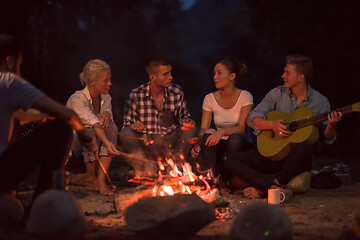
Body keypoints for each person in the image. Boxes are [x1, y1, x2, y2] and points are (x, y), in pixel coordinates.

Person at [224, 55, 343, 199]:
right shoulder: (277, 93)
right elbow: (252, 117)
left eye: (287, 72)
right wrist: (272, 125)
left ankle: (268, 186)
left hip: (295, 160)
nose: (283, 75)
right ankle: (272, 187)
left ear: (300, 77)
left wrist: (331, 125)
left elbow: (327, 140)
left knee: (303, 148)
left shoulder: (320, 102)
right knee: (230, 160)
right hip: (272, 155)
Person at [0, 34, 97, 201]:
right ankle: (42, 203)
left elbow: (16, 114)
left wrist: (44, 115)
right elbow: (69, 115)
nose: (19, 71)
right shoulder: (7, 80)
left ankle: (9, 194)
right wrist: (86, 137)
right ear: (10, 61)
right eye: (19, 65)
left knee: (16, 122)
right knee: (63, 127)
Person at [120, 56, 196, 175]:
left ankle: (175, 166)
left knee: (190, 130)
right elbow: (127, 124)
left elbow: (183, 116)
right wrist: (134, 124)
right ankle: (145, 165)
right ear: (152, 77)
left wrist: (187, 121)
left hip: (168, 140)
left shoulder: (176, 92)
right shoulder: (136, 94)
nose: (170, 77)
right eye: (165, 74)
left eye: (170, 72)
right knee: (125, 133)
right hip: (148, 142)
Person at [192, 59, 253, 191]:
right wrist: (198, 143)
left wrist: (220, 132)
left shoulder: (245, 96)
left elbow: (242, 129)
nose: (215, 77)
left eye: (219, 73)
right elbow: (203, 128)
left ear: (232, 76)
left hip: (239, 145)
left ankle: (224, 180)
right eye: (214, 74)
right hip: (219, 143)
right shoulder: (210, 98)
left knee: (234, 139)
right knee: (208, 134)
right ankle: (210, 179)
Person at [66, 59, 119, 196]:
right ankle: (91, 179)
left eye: (110, 79)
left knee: (111, 126)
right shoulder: (77, 99)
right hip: (72, 147)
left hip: (92, 145)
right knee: (89, 129)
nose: (109, 84)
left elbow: (106, 124)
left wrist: (107, 114)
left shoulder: (106, 98)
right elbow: (93, 122)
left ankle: (101, 180)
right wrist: (107, 143)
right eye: (106, 80)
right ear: (91, 82)